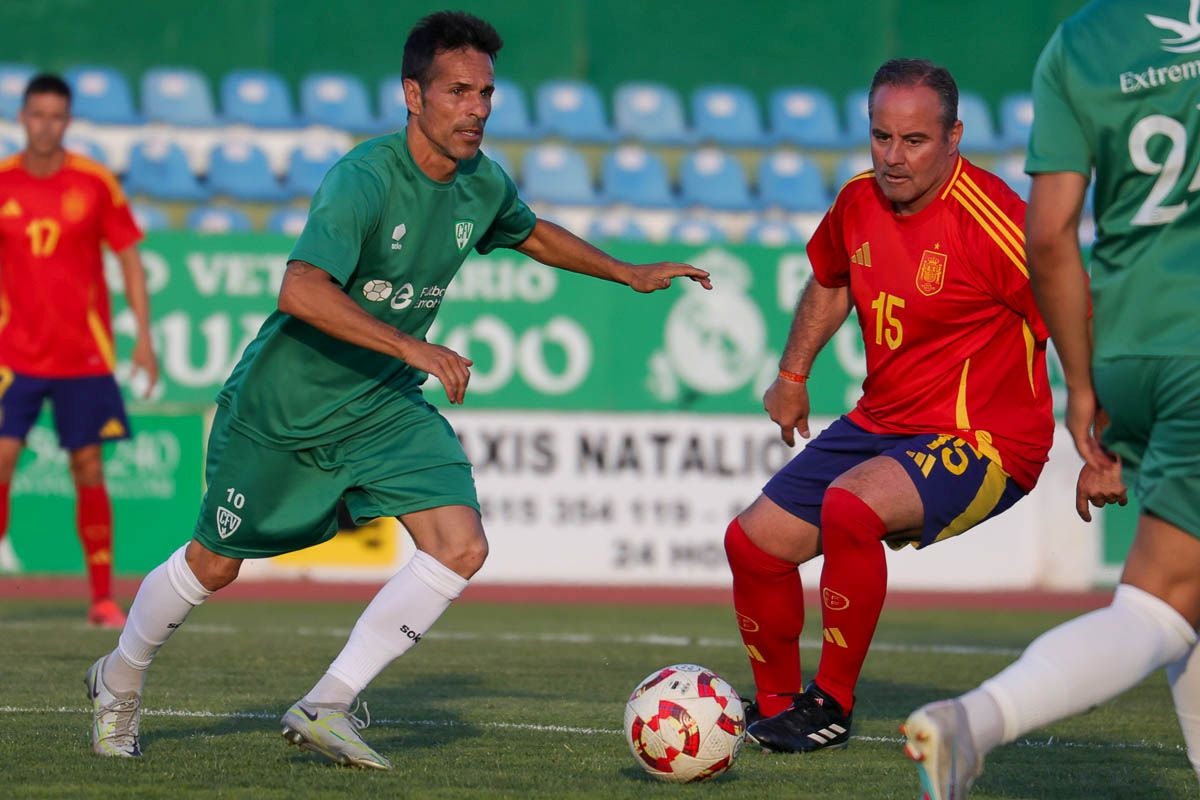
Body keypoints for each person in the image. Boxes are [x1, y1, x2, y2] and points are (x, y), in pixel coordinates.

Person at [83, 10, 710, 766]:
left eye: (485, 93)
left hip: (382, 404)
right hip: (284, 408)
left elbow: (531, 230)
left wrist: (627, 272)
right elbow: (300, 289)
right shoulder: (364, 178)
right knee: (213, 564)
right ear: (413, 95)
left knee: (460, 545)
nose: (476, 108)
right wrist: (412, 344)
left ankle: (328, 703)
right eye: (457, 92)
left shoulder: (481, 181)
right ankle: (119, 679)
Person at [904, 1, 1200, 796]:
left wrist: (1084, 384)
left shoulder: (1081, 41)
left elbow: (1049, 233)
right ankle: (975, 722)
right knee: (1164, 598)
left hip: (1132, 343)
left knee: (1186, 578)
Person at [725, 58, 1055, 755]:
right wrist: (792, 374)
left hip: (986, 438)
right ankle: (779, 706)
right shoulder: (858, 199)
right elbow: (832, 277)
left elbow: (1081, 316)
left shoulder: (997, 221)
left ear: (954, 137)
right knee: (752, 546)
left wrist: (1103, 437)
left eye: (914, 140)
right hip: (881, 422)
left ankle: (830, 705)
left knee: (851, 506)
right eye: (881, 137)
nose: (893, 157)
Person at [0, 74, 158, 628]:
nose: (45, 125)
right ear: (23, 117)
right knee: (1, 459)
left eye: (56, 116)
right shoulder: (3, 181)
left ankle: (101, 598)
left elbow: (130, 257)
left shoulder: (93, 183)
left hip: (82, 356)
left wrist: (144, 337)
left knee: (88, 467)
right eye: (37, 114)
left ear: (67, 122)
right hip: (13, 353)